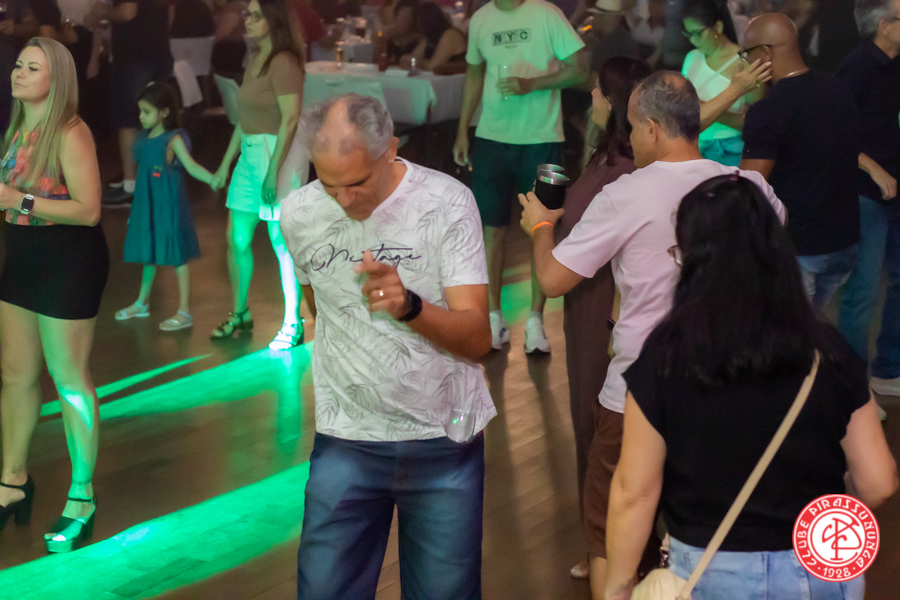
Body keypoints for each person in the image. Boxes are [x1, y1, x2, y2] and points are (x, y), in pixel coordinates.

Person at [518, 71, 785, 599]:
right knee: (710, 528)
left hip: (639, 389)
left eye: (634, 127)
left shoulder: (626, 194)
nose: (632, 138)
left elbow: (552, 280)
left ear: (653, 129)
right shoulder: (751, 188)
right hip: (731, 389)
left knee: (610, 529)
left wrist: (541, 227)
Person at [603, 175, 899, 600]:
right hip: (819, 565)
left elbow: (634, 493)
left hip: (708, 568)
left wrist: (617, 587)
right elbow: (878, 482)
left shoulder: (666, 358)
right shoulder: (826, 352)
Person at [283, 94, 496, 599]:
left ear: (391, 150)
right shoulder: (299, 212)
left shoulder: (447, 202)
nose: (344, 200)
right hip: (347, 439)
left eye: (357, 182)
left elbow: (477, 339)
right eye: (329, 184)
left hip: (445, 440)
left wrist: (410, 308)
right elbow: (321, 309)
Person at [0, 37, 109, 553]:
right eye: (19, 64)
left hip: (69, 260)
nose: (19, 73)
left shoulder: (70, 131)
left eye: (32, 67)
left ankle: (82, 496)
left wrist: (16, 199)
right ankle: (12, 480)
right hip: (22, 257)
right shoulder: (17, 127)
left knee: (69, 379)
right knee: (15, 374)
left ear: (56, 78)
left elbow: (89, 210)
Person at [559, 55, 651, 581]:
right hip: (585, 305)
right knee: (589, 420)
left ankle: (614, 547)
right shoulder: (604, 157)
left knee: (603, 427)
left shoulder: (625, 171)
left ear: (613, 102)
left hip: (604, 309)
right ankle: (604, 540)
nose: (590, 99)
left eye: (595, 92)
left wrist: (542, 230)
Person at [454, 0, 588, 353]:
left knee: (542, 227)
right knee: (491, 230)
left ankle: (535, 321)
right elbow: (474, 75)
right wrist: (463, 129)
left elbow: (579, 70)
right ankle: (493, 317)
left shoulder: (546, 13)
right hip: (491, 137)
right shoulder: (481, 19)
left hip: (543, 138)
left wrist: (533, 84)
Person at [739, 12, 861, 311]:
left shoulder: (768, 110)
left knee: (789, 334)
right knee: (812, 325)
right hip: (844, 241)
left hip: (799, 247)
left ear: (765, 52)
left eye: (746, 54)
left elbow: (750, 187)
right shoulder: (839, 89)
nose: (745, 62)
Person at [209, 0, 308, 350]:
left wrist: (272, 171)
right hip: (252, 150)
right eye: (247, 15)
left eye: (255, 16)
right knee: (236, 237)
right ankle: (240, 312)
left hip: (278, 152)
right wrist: (225, 164)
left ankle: (293, 322)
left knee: (281, 243)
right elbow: (244, 120)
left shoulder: (284, 62)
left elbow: (291, 120)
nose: (247, 21)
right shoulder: (255, 58)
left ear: (273, 21)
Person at [836, 0, 900, 405]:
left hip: (894, 190)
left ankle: (888, 370)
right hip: (865, 193)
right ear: (884, 25)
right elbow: (833, 130)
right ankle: (852, 388)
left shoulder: (895, 65)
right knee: (862, 293)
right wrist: (874, 168)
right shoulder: (857, 67)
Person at [115, 82, 215, 331]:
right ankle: (142, 302)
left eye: (146, 112)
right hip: (147, 204)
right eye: (141, 111)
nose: (141, 116)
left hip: (168, 206)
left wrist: (213, 179)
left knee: (177, 256)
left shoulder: (173, 139)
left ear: (164, 112)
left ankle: (184, 311)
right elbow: (142, 175)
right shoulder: (143, 138)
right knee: (149, 255)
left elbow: (191, 166)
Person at [89, 0, 173, 206]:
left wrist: (103, 11)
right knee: (154, 118)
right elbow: (171, 13)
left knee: (127, 120)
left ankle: (130, 186)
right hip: (160, 51)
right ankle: (150, 180)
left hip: (133, 54)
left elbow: (127, 12)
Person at [681, 0, 768, 165]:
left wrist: (705, 109)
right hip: (694, 147)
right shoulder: (692, 57)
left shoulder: (743, 61)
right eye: (688, 33)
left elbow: (756, 122)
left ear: (718, 27)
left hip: (728, 148)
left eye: (697, 33)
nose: (693, 40)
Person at [398, 1, 468, 71]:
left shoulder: (450, 36)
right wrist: (407, 59)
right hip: (436, 76)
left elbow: (433, 66)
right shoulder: (429, 37)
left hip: (454, 76)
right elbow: (415, 55)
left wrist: (416, 61)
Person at [212, 0, 249, 80]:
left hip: (230, 60)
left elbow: (222, 33)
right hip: (239, 58)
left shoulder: (235, 8)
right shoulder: (242, 6)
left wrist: (204, 46)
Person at [384, 0, 421, 64]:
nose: (400, 22)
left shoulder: (419, 42)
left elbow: (416, 63)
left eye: (405, 18)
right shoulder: (391, 40)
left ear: (413, 21)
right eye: (399, 16)